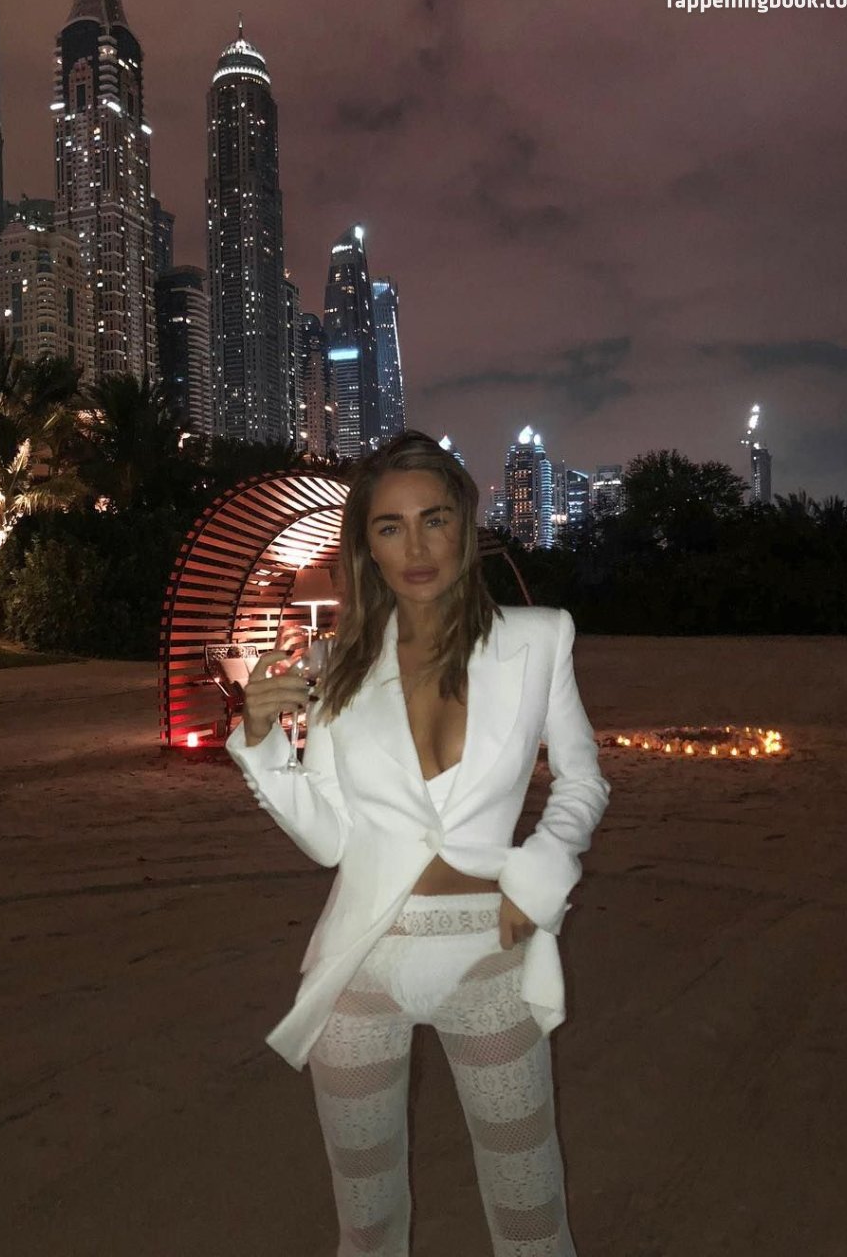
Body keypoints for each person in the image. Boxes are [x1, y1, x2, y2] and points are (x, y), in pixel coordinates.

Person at [227, 431, 610, 1257]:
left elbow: (582, 781)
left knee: (532, 1218)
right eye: (390, 527)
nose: (416, 547)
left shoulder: (539, 638)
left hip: (491, 957)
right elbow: (330, 840)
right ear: (366, 546)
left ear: (465, 525)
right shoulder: (341, 666)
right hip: (363, 964)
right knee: (367, 1227)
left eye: (433, 519)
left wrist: (541, 871)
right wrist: (261, 744)